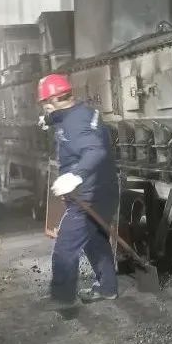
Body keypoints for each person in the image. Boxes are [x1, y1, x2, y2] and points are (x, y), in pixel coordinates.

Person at [38, 73, 120, 305]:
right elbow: (64, 116)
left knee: (65, 247)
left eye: (45, 103)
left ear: (52, 100)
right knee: (95, 241)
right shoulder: (81, 111)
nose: (45, 107)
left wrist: (76, 175)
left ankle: (61, 299)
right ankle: (107, 288)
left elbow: (95, 151)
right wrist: (49, 120)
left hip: (90, 196)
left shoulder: (75, 124)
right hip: (101, 190)